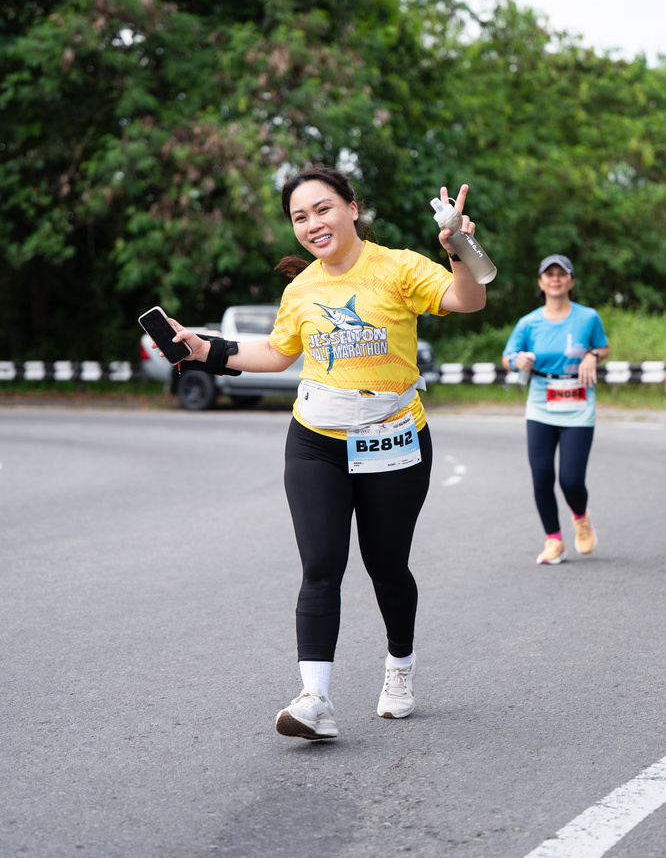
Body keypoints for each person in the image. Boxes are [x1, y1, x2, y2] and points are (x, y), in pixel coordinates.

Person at [163, 166, 486, 740]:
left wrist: (457, 244)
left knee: (386, 565)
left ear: (352, 209)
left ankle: (400, 667)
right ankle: (314, 698)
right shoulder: (302, 289)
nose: (312, 223)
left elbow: (468, 298)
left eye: (323, 209)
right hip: (316, 441)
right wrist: (203, 349)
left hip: (393, 439)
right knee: (320, 565)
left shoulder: (398, 267)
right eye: (299, 216)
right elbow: (276, 353)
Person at [502, 255, 609, 566]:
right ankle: (554, 540)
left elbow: (603, 347)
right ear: (541, 282)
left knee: (571, 480)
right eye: (549, 274)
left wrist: (592, 355)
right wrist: (517, 360)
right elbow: (507, 357)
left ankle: (581, 517)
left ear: (571, 281)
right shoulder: (529, 323)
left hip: (578, 405)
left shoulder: (588, 317)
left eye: (562, 274)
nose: (555, 279)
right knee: (542, 476)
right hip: (541, 405)